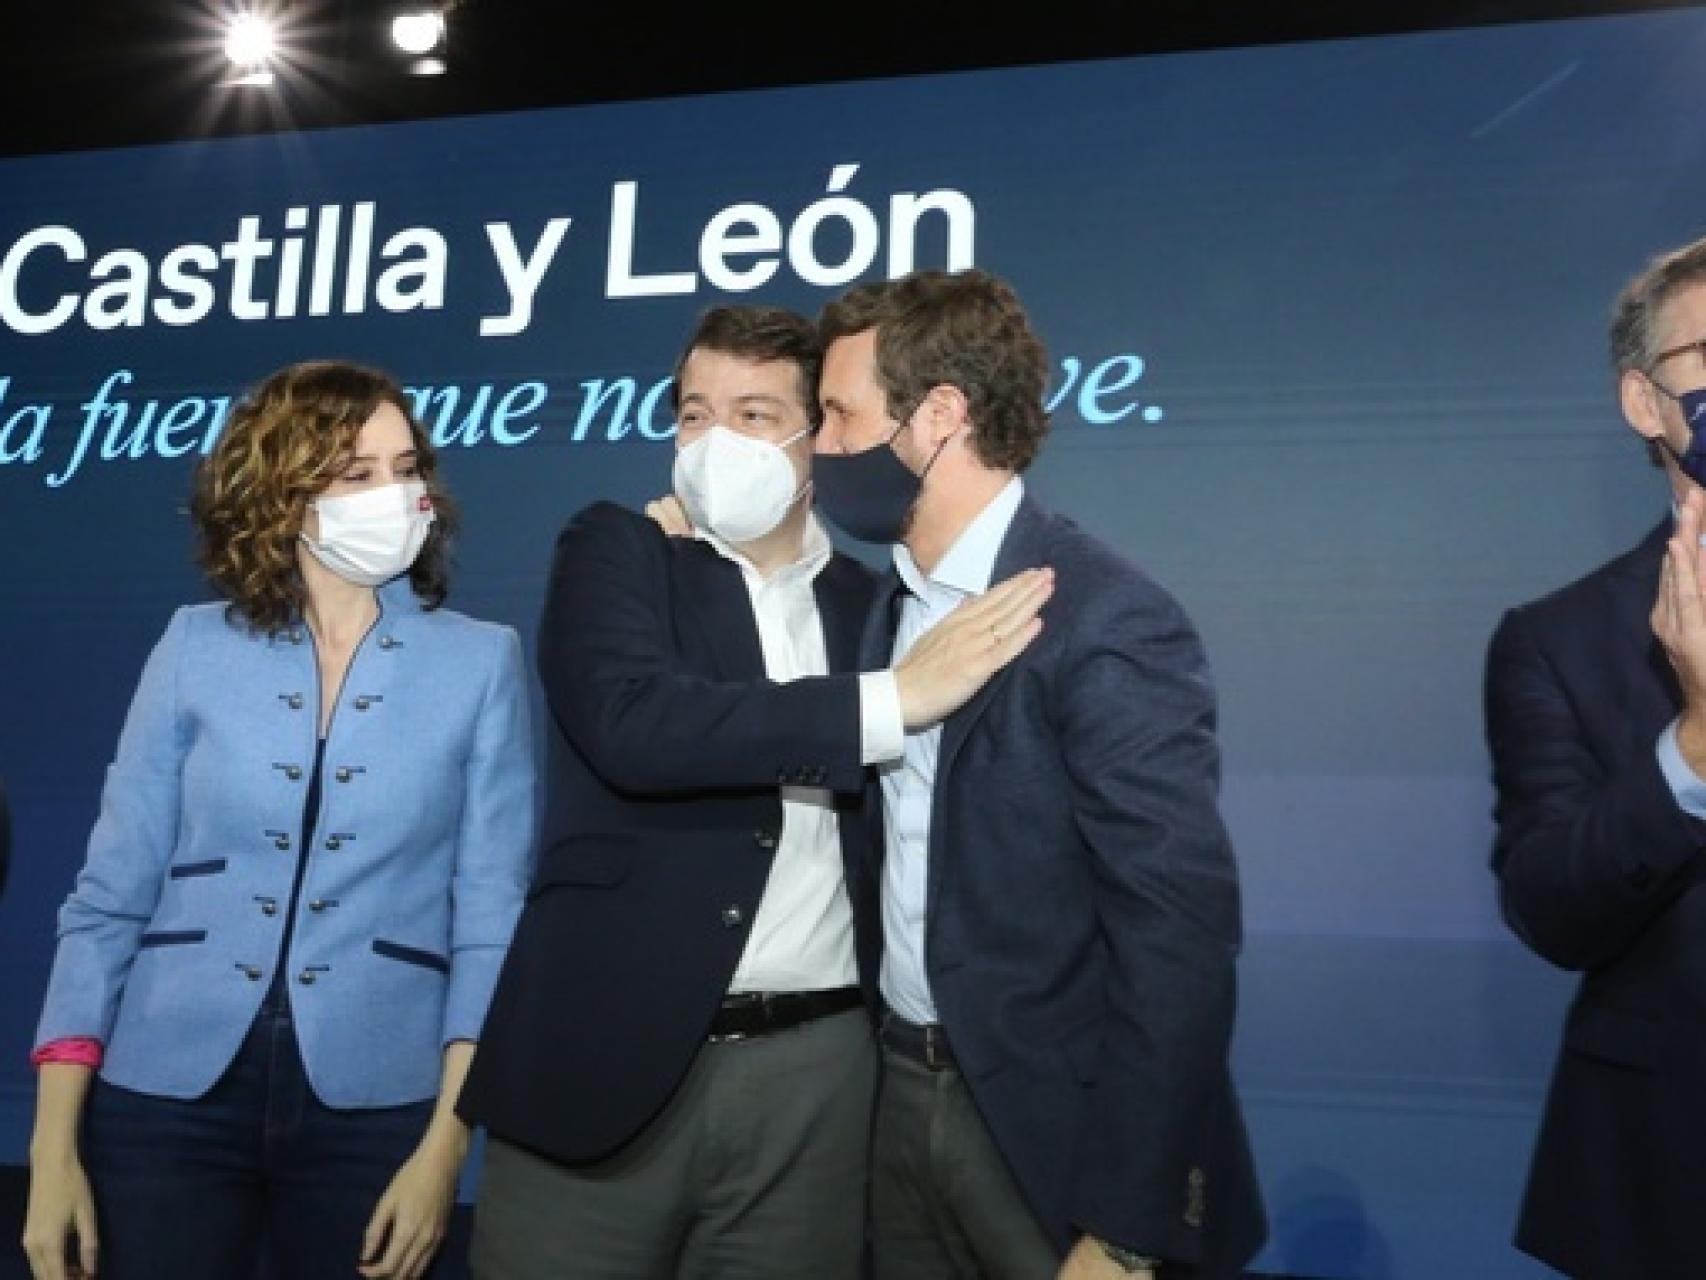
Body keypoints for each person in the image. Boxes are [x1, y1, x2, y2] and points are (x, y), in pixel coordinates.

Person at [456, 303, 1051, 1280]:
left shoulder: (878, 605)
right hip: (604, 1050)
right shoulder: (619, 552)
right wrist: (888, 701)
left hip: (814, 1078)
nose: (712, 441)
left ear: (822, 436)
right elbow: (634, 726)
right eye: (693, 414)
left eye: (753, 414)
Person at [22, 359, 538, 1280]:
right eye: (357, 474)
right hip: (165, 1094)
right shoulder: (191, 646)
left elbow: (491, 924)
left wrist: (448, 1147)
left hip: (381, 1101)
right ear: (284, 493)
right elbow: (108, 900)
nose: (398, 492)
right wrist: (52, 1152)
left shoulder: (481, 663)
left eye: (407, 466)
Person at [809, 268, 1267, 1279]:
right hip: (897, 1097)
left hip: (1054, 1130)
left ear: (937, 415)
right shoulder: (884, 610)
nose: (821, 445)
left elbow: (1176, 933)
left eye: (838, 414)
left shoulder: (1105, 616)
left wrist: (1123, 1226)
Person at [1487, 232, 1706, 1277]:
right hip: (1668, 1184)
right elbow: (1549, 905)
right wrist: (1696, 744)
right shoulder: (1557, 639)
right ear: (1643, 402)